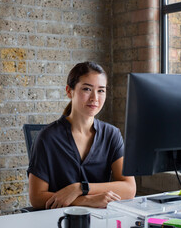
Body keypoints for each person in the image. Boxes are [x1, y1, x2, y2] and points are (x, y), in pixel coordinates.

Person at [27, 61, 136, 209]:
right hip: (59, 219)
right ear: (69, 91)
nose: (95, 98)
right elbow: (37, 198)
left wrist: (80, 188)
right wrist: (85, 201)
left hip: (101, 219)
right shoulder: (47, 137)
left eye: (101, 90)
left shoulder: (111, 134)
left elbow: (129, 188)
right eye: (87, 89)